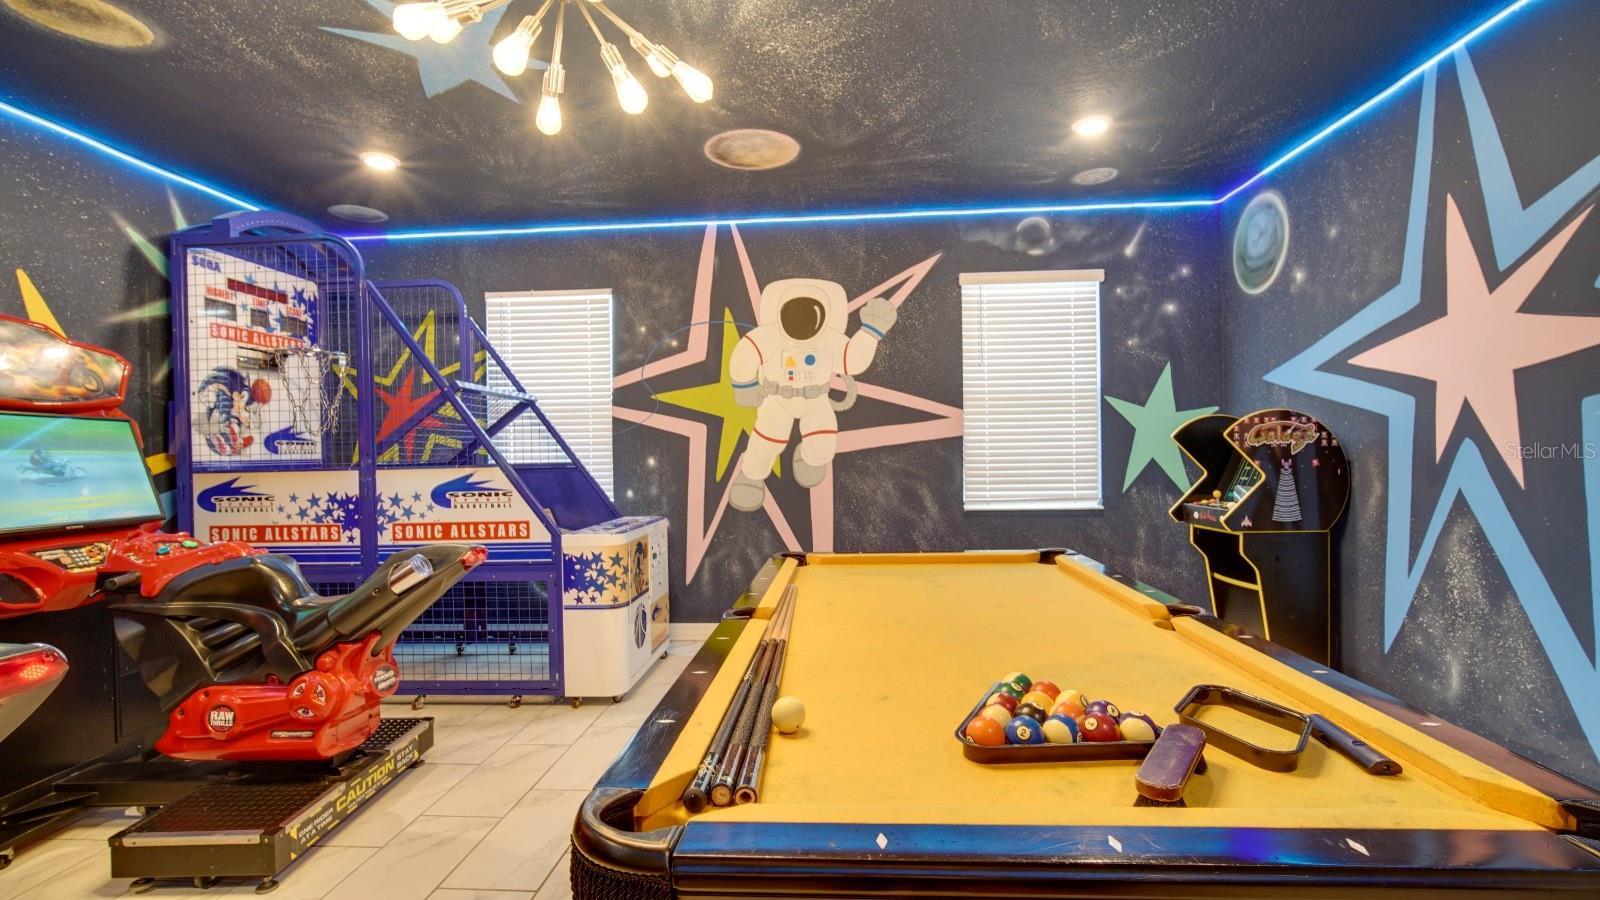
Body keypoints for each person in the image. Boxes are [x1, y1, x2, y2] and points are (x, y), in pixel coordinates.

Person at [727, 279, 898, 512]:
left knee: (823, 443)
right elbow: (746, 354)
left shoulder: (829, 339)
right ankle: (752, 476)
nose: (802, 320)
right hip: (776, 399)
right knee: (767, 440)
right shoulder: (768, 337)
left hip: (815, 400)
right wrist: (744, 385)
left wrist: (870, 333)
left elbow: (851, 361)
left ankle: (811, 457)